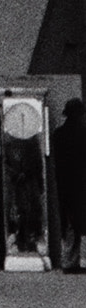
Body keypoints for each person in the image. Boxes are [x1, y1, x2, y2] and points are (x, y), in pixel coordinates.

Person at [55, 96, 86, 272]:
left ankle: (68, 261)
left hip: (64, 184)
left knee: (68, 223)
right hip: (81, 184)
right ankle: (79, 260)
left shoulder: (58, 134)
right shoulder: (83, 133)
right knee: (81, 223)